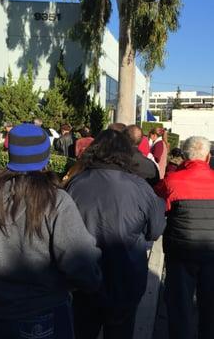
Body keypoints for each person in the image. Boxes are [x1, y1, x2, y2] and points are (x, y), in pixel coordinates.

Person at [0, 123, 102, 339]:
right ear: (45, 156)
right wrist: (92, 282)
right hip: (43, 315)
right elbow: (80, 261)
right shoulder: (56, 200)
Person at [67, 129, 166, 339]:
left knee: (82, 329)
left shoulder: (75, 184)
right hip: (126, 277)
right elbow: (155, 230)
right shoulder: (140, 187)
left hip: (85, 278)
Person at [156, 136, 214, 339]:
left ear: (184, 156)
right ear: (208, 158)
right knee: (210, 308)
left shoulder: (172, 181)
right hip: (211, 253)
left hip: (180, 253)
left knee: (180, 308)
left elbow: (158, 207)